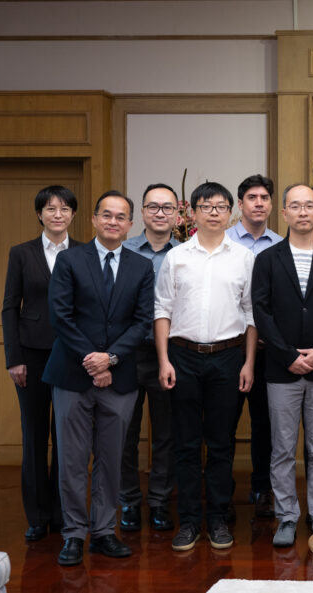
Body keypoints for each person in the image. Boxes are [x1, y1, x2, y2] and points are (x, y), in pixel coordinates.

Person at [43, 190, 155, 566]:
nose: (113, 222)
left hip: (120, 378)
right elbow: (61, 316)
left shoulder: (142, 267)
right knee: (72, 459)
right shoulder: (70, 260)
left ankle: (104, 532)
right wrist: (93, 360)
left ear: (130, 224)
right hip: (73, 376)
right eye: (106, 215)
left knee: (111, 458)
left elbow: (142, 322)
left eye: (120, 217)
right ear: (93, 220)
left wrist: (111, 358)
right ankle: (74, 534)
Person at [155, 181, 257, 552]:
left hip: (228, 358)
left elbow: (250, 314)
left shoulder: (244, 257)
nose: (214, 212)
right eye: (206, 206)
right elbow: (162, 309)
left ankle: (217, 520)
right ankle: (189, 523)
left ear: (231, 212)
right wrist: (164, 359)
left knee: (220, 444)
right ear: (192, 213)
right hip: (181, 357)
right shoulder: (177, 256)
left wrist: (248, 362)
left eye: (220, 206)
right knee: (184, 444)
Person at [252, 183, 313, 545]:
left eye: (311, 206)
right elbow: (260, 312)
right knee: (282, 448)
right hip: (281, 369)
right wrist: (288, 354)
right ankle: (287, 516)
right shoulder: (268, 259)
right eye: (296, 206)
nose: (304, 212)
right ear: (285, 213)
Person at [2, 185, 78, 542]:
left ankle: (63, 514)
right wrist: (13, 359)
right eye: (50, 208)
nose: (58, 214)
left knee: (66, 437)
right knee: (34, 436)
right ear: (39, 214)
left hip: (71, 355)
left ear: (74, 215)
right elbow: (9, 307)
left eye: (64, 208)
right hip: (30, 356)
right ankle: (37, 515)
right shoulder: (21, 254)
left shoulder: (82, 252)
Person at [118, 183, 181, 533]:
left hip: (170, 356)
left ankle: (159, 502)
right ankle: (128, 501)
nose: (159, 213)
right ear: (141, 213)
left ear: (177, 214)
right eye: (152, 207)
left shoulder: (187, 253)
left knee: (166, 433)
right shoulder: (123, 251)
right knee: (124, 433)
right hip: (126, 355)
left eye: (166, 207)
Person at [228, 174, 281, 519]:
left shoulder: (281, 245)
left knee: (266, 423)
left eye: (264, 197)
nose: (259, 203)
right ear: (240, 203)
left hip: (269, 351)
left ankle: (262, 486)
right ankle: (222, 490)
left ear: (272, 204)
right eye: (252, 197)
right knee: (223, 423)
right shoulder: (223, 242)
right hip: (229, 349)